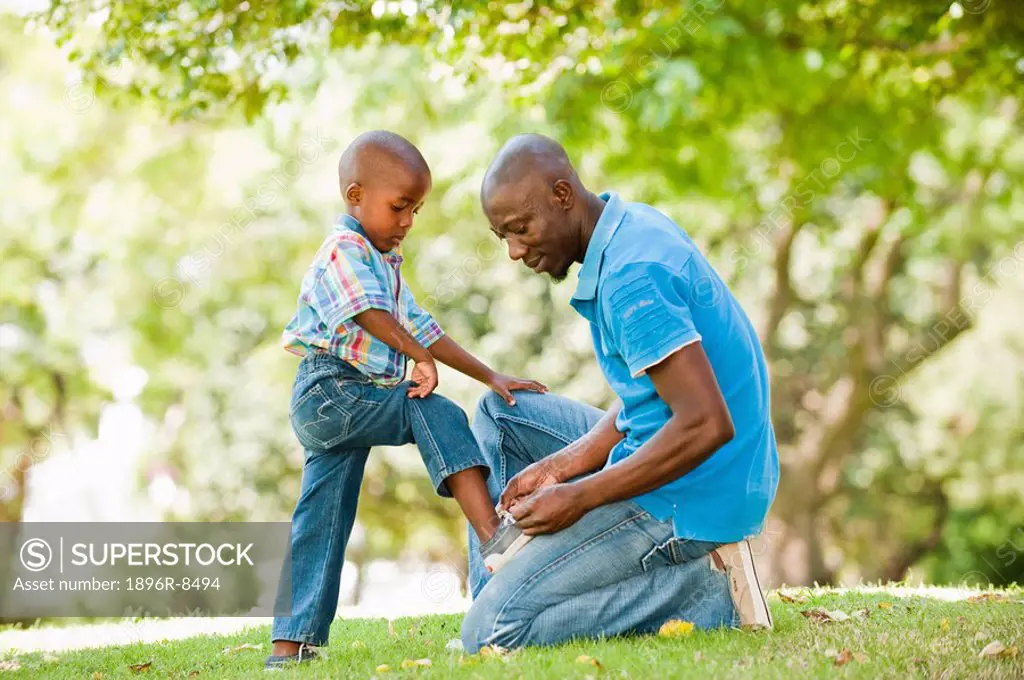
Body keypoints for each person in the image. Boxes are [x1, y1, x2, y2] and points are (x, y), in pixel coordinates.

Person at [460, 134, 779, 652]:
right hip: (690, 455)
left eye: (521, 229)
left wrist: (580, 495)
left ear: (563, 195)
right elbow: (653, 393)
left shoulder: (632, 277)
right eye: (504, 238)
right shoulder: (631, 227)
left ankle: (704, 592)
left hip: (694, 491)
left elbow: (705, 423)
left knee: (490, 636)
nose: (516, 251)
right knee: (501, 415)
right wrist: (563, 465)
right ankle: (498, 589)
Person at [266, 131, 545, 670]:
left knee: (321, 514)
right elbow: (369, 313)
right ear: (355, 196)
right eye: (399, 207)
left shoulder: (383, 261)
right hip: (330, 390)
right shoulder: (343, 250)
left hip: (342, 400)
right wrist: (418, 357)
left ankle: (290, 645)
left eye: (415, 210)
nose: (407, 222)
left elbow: (421, 326)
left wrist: (490, 375)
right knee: (434, 409)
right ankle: (493, 537)